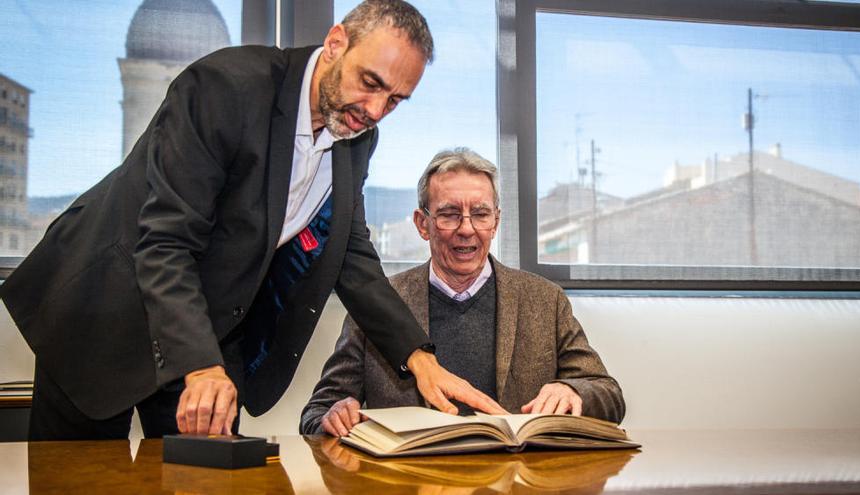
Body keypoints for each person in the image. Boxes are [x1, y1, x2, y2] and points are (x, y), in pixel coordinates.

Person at [0, 0, 503, 441]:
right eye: (370, 82)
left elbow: (349, 254)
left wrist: (418, 357)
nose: (374, 110)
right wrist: (200, 365)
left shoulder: (357, 137)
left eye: (395, 100)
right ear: (335, 44)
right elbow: (167, 242)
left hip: (203, 325)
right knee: (82, 483)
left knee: (209, 479)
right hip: (104, 308)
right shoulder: (226, 87)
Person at [300, 148, 625, 437]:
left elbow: (608, 395)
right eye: (449, 214)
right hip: (411, 484)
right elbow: (316, 413)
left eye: (480, 214)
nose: (466, 228)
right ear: (422, 223)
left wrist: (572, 391)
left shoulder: (545, 300)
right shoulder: (378, 303)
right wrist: (335, 415)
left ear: (495, 222)